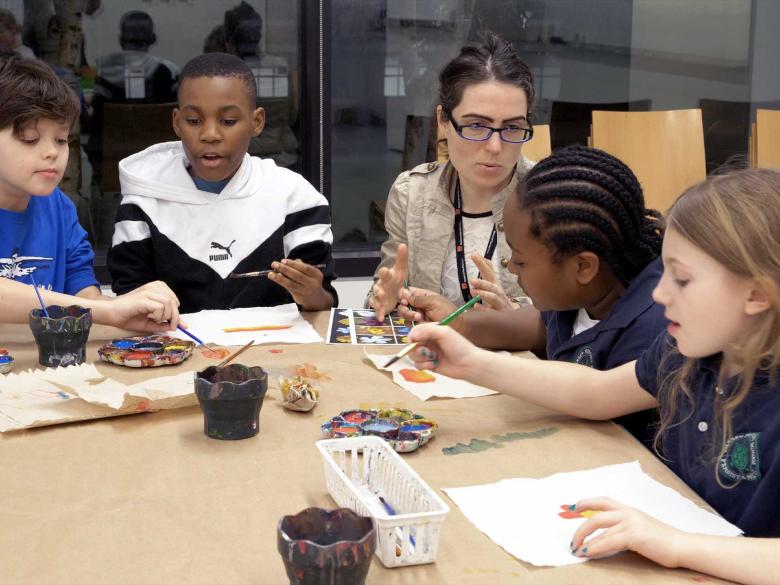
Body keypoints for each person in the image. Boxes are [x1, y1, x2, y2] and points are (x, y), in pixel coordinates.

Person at [408, 168, 780, 583]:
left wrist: (677, 545)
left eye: (683, 278)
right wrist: (473, 363)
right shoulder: (691, 353)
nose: (659, 293)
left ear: (758, 294)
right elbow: (598, 392)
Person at [402, 146, 667, 441]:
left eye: (521, 258)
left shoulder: (654, 325)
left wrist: (470, 362)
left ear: (583, 266)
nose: (512, 267)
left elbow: (597, 395)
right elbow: (538, 326)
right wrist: (461, 325)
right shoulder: (584, 294)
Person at [107, 52, 336, 313]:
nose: (210, 135)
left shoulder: (295, 199)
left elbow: (324, 302)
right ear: (177, 122)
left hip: (273, 351)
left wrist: (311, 293)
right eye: (194, 121)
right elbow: (130, 298)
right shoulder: (143, 203)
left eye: (228, 121)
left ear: (257, 121)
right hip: (178, 351)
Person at [0, 57, 180, 330]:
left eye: (62, 139)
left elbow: (80, 282)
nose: (52, 152)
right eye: (30, 139)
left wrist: (121, 310)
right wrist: (104, 311)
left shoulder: (58, 206)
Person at [368, 32, 535, 321]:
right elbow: (386, 289)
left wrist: (511, 317)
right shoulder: (412, 194)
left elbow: (573, 320)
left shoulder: (551, 198)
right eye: (476, 126)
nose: (494, 147)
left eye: (512, 128)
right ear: (443, 122)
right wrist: (389, 300)